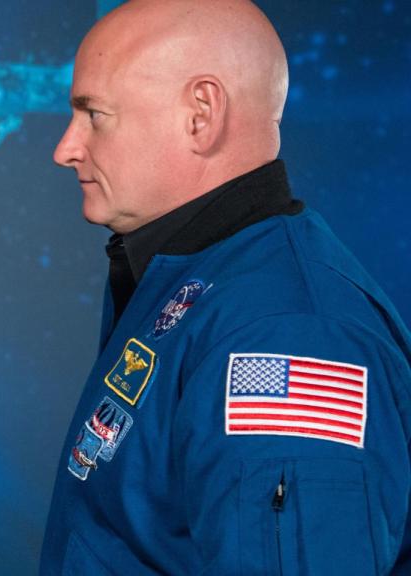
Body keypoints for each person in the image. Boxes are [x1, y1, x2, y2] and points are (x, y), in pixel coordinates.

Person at [41, 0, 411, 573]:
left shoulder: (285, 334)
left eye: (94, 114)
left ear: (201, 114)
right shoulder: (200, 283)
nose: (66, 148)